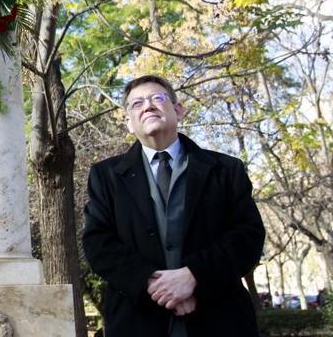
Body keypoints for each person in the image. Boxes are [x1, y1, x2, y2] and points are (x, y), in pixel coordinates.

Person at [82, 75, 265, 336]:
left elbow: (248, 237)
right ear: (128, 123)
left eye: (157, 98)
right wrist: (154, 285)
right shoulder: (105, 176)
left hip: (220, 319)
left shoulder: (226, 170)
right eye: (137, 104)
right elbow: (98, 243)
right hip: (136, 322)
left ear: (178, 110)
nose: (148, 106)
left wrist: (195, 276)